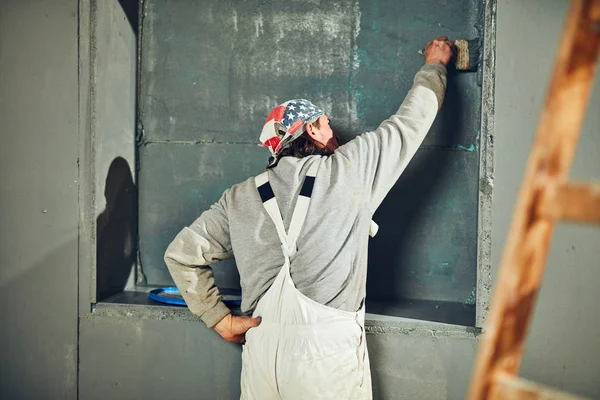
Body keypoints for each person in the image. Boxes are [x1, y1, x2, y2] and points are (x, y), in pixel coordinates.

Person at [164, 36, 453, 399]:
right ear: (312, 129)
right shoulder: (351, 168)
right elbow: (412, 120)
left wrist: (219, 319)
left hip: (261, 357)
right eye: (326, 124)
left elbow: (181, 255)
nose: (334, 132)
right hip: (326, 360)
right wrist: (435, 64)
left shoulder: (238, 198)